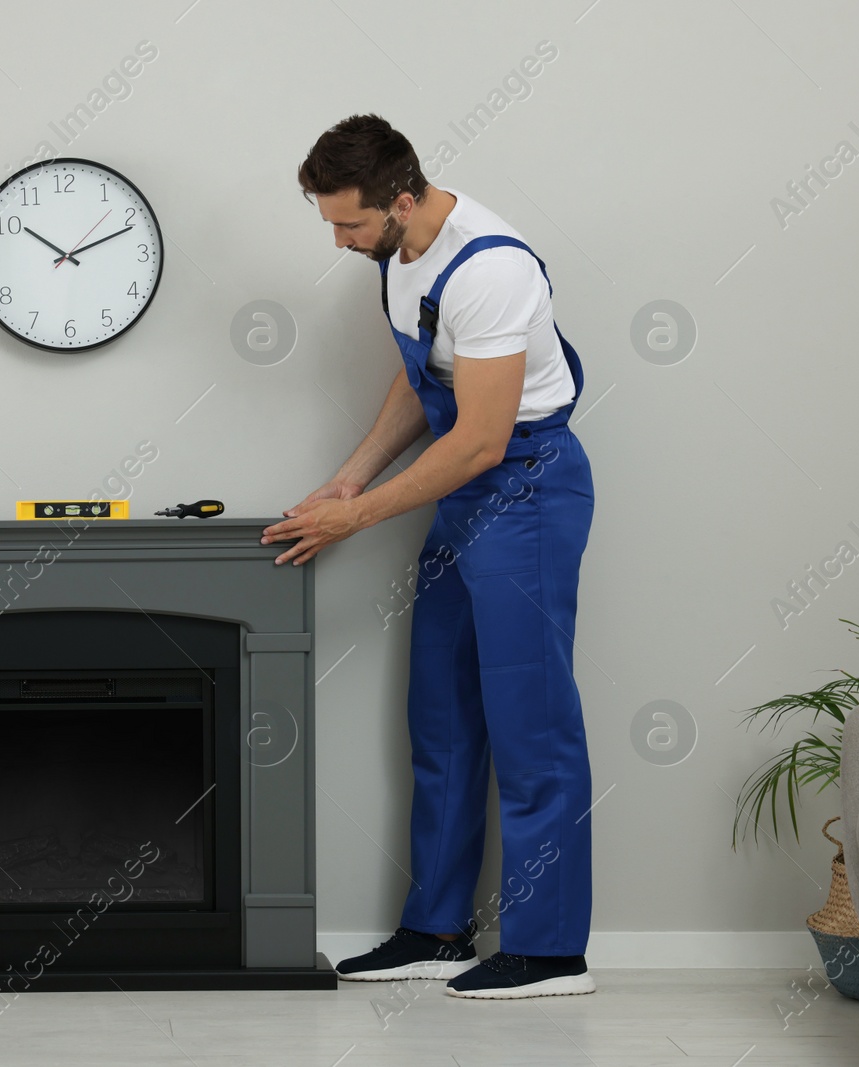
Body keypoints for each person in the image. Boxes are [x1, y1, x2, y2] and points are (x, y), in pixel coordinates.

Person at [261, 114, 596, 999]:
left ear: (402, 200)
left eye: (350, 224)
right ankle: (437, 929)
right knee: (442, 713)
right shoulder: (398, 257)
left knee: (532, 722)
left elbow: (482, 439)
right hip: (461, 492)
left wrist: (357, 518)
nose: (339, 242)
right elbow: (425, 381)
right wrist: (347, 480)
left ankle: (552, 951)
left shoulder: (491, 268)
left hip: (523, 487)